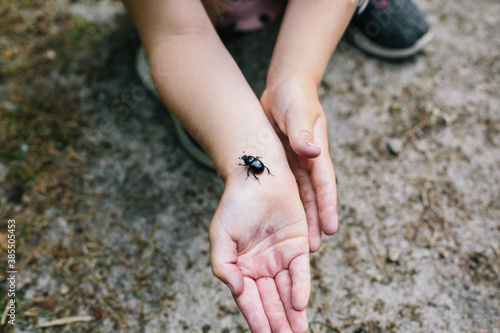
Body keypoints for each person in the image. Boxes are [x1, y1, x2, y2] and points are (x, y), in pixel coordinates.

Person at [121, 0, 432, 332]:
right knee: (182, 33)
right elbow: (178, 34)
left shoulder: (254, 165)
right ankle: (202, 93)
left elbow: (256, 164)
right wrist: (241, 135)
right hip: (188, 16)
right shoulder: (251, 163)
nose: (247, 164)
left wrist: (295, 78)